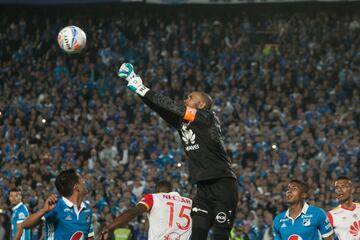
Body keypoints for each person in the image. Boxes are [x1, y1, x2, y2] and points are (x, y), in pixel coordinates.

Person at [117, 63, 238, 240]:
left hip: (223, 184)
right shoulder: (184, 122)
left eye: (190, 97)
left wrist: (141, 87)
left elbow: (174, 107)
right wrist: (137, 87)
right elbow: (161, 108)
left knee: (220, 236)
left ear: (201, 104)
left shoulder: (207, 118)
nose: (185, 99)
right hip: (203, 187)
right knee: (197, 235)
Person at [101, 180, 192, 240]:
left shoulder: (154, 198)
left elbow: (133, 212)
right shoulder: (190, 202)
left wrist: (109, 227)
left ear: (157, 191)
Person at [22, 168, 94, 240]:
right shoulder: (56, 206)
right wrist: (43, 210)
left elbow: (90, 237)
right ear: (76, 187)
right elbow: (25, 225)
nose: (85, 182)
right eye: (82, 180)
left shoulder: (87, 209)